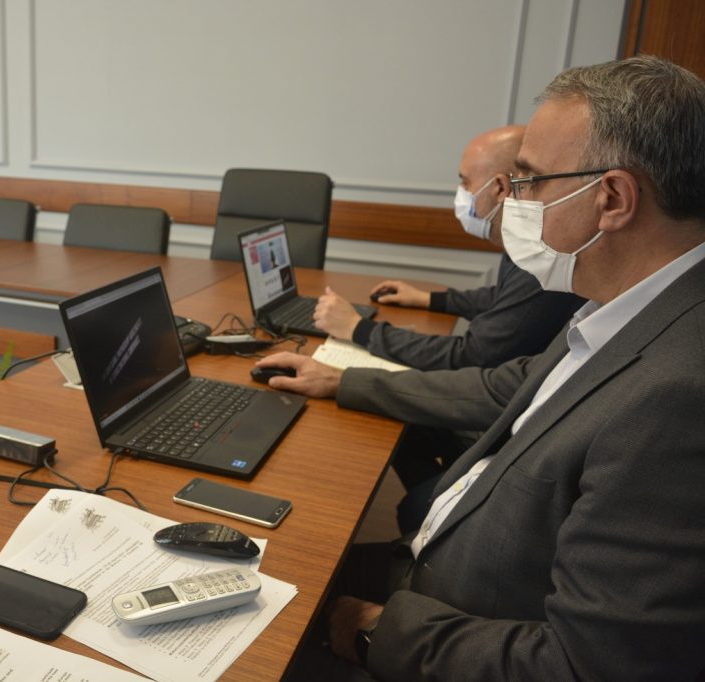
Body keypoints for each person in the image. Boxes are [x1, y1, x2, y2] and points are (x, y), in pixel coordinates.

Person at [269, 55, 705, 679]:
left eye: (528, 181)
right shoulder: (620, 309)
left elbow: (586, 666)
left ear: (611, 198)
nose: (512, 201)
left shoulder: (679, 395)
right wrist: (343, 381)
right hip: (437, 576)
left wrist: (373, 633)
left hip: (441, 636)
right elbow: (508, 386)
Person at [314, 125, 584, 372]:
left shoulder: (544, 254)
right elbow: (506, 298)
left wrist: (358, 328)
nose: (461, 192)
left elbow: (471, 356)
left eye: (465, 183)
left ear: (500, 188)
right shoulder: (527, 237)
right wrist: (430, 299)